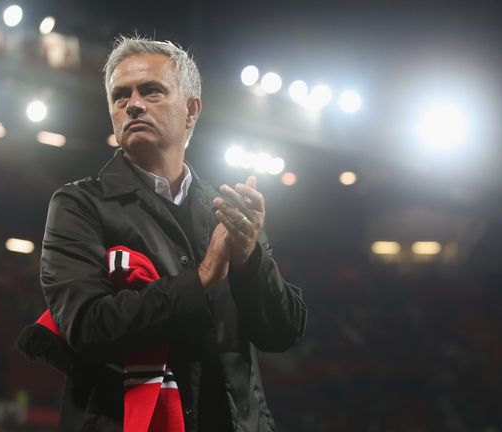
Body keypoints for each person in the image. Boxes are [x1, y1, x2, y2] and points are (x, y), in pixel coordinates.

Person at [18, 36, 306, 432]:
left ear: (191, 110)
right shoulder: (78, 205)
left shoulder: (231, 211)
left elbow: (283, 333)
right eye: (120, 96)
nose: (133, 104)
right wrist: (201, 279)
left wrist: (251, 259)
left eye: (151, 91)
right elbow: (85, 326)